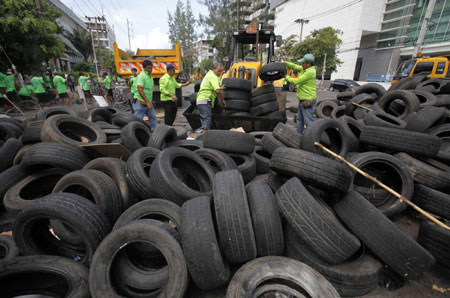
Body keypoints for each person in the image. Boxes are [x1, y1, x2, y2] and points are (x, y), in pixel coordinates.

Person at [284, 53, 317, 134]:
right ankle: (299, 135)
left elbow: (296, 81)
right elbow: (295, 67)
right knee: (299, 119)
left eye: (303, 63)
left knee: (308, 122)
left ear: (308, 64)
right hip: (302, 99)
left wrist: (286, 76)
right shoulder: (304, 69)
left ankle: (311, 138)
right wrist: (285, 63)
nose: (302, 64)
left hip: (308, 100)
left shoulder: (310, 72)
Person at [195, 62, 226, 134]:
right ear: (214, 69)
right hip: (205, 99)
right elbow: (217, 91)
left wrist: (220, 87)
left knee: (204, 119)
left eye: (221, 72)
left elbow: (211, 87)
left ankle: (202, 134)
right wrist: (223, 100)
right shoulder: (213, 76)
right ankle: (205, 137)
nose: (219, 73)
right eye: (218, 71)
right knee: (207, 119)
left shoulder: (209, 75)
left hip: (201, 100)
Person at [134, 59, 157, 129]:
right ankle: (135, 134)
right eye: (148, 68)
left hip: (147, 102)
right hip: (140, 102)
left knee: (153, 117)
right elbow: (140, 90)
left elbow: (149, 90)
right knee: (138, 120)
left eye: (151, 68)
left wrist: (150, 100)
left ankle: (154, 133)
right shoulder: (142, 76)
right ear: (144, 68)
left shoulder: (150, 77)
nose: (150, 70)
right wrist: (147, 102)